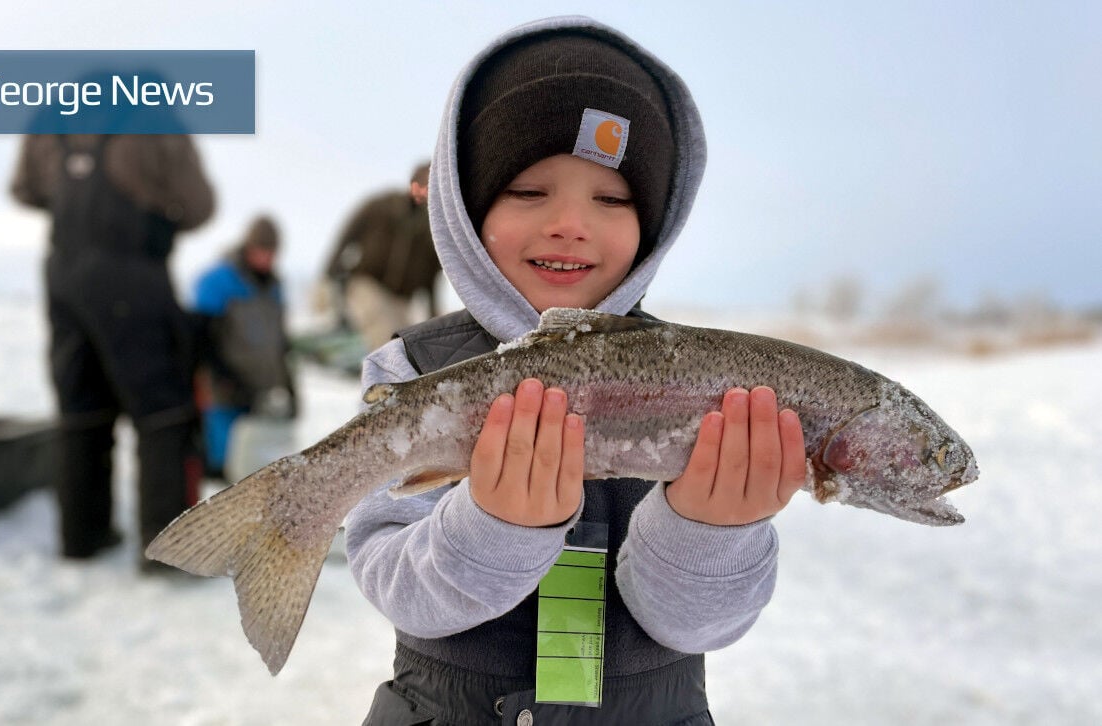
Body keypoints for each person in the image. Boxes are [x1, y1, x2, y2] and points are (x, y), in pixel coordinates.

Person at [344, 17, 807, 724]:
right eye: (529, 191)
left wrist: (708, 533)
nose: (570, 223)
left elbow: (704, 627)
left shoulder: (711, 384)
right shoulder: (413, 366)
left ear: (654, 223)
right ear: (464, 207)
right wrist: (490, 529)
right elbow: (392, 581)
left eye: (612, 199)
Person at [10, 133, 214, 570]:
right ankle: (167, 553)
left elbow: (24, 189)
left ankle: (82, 537)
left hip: (64, 275)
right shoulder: (156, 122)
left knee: (81, 408)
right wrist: (153, 213)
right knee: (164, 411)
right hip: (133, 270)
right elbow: (199, 205)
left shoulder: (52, 120)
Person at [191, 215, 298, 479]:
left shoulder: (274, 287)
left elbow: (280, 342)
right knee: (221, 467)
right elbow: (201, 337)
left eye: (271, 253)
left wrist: (289, 384)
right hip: (224, 390)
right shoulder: (216, 281)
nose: (266, 259)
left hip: (259, 391)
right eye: (261, 251)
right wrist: (222, 376)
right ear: (248, 247)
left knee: (254, 468)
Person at [324, 162, 442, 349]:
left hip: (401, 300)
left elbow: (432, 276)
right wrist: (330, 274)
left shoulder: (434, 228)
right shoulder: (382, 206)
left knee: (411, 345)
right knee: (387, 336)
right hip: (368, 285)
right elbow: (348, 233)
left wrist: (433, 317)